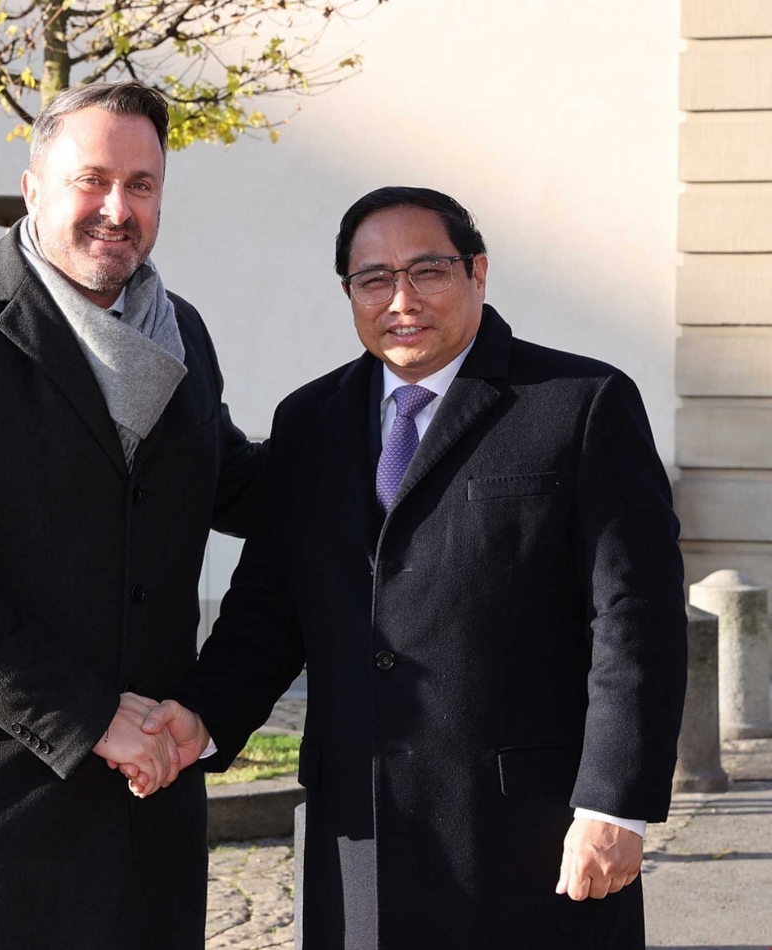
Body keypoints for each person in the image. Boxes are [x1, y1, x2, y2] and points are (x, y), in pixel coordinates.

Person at [137, 187, 688, 949]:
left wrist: (613, 805)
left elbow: (634, 619)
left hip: (533, 837)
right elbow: (271, 605)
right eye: (374, 279)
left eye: (427, 271)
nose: (401, 300)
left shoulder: (579, 403)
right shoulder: (310, 421)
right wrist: (203, 716)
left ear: (477, 271)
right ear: (349, 293)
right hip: (359, 832)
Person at [0, 81, 262, 950]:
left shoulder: (180, 332)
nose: (119, 208)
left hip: (149, 803)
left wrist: (385, 439)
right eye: (93, 180)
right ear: (34, 189)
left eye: (142, 185)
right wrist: (90, 716)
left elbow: (228, 481)